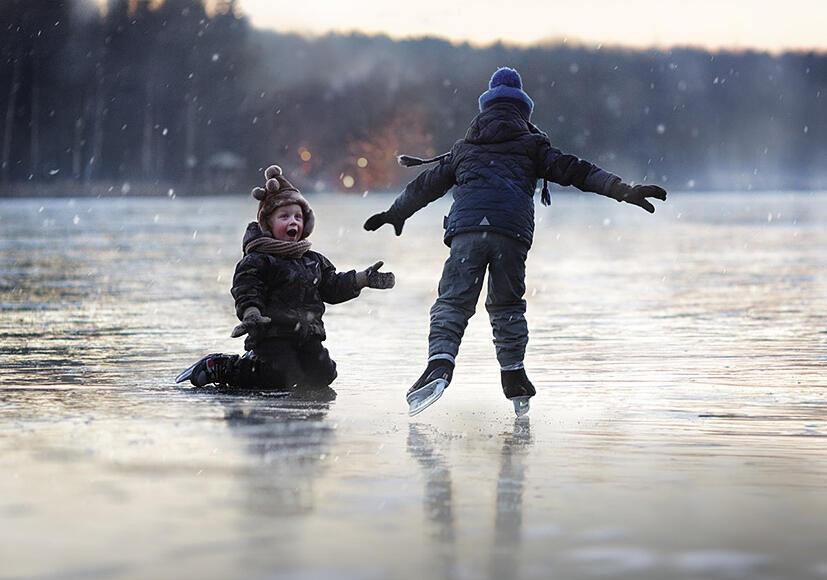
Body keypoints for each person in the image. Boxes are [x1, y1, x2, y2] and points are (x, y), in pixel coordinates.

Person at [364, 67, 667, 416]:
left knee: (453, 302)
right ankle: (514, 375)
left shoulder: (464, 148)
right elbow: (579, 171)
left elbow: (426, 185)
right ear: (523, 110)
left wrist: (396, 212)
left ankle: (439, 366)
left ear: (485, 108)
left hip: (467, 233)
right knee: (507, 305)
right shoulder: (533, 145)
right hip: (511, 235)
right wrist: (623, 190)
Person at [176, 165, 395, 390]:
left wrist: (363, 279)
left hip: (308, 335)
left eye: (298, 217)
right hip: (272, 336)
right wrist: (251, 313)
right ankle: (225, 366)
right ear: (268, 224)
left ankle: (270, 365)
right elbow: (247, 289)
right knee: (279, 378)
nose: (293, 222)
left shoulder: (313, 260)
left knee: (323, 375)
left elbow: (332, 286)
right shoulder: (259, 259)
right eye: (284, 216)